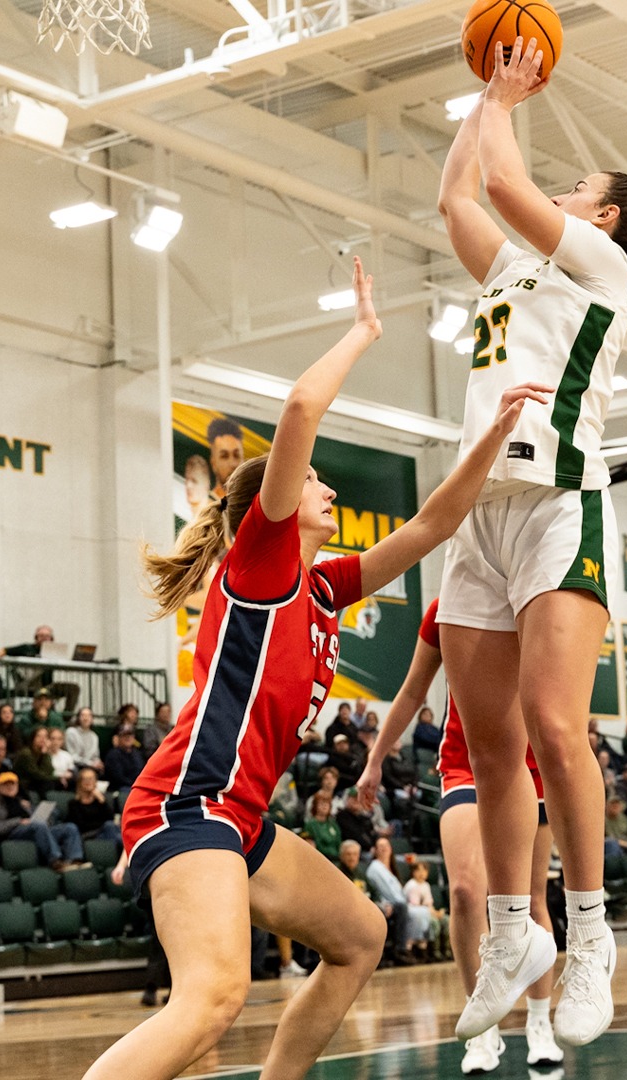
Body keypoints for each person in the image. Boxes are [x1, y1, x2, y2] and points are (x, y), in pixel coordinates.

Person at [88, 257, 547, 1080]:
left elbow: (435, 525)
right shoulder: (261, 564)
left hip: (242, 818)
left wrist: (494, 436)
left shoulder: (324, 587)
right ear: (278, 499)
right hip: (186, 806)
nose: (329, 495)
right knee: (215, 996)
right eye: (318, 486)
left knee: (361, 935)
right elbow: (302, 405)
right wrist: (365, 330)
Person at [436, 35, 627, 1052]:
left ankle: (589, 942)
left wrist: (505, 96)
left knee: (553, 724)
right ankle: (513, 937)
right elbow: (461, 197)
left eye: (576, 187)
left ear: (606, 215)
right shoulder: (516, 273)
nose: (562, 194)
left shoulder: (600, 264)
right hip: (479, 512)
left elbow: (500, 176)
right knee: (491, 746)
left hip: (558, 502)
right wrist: (479, 101)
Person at [354, 595, 564, 1072]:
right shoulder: (445, 606)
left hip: (532, 768)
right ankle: (483, 1027)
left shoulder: (541, 598)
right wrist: (375, 759)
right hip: (465, 764)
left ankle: (539, 1023)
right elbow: (411, 692)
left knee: (533, 899)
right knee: (468, 892)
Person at [0, 772, 84, 871]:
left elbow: (37, 820)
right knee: (38, 825)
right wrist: (18, 821)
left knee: (69, 827)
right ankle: (56, 861)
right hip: (12, 835)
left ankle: (74, 861)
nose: (10, 787)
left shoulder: (24, 803)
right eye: (6, 784)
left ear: (17, 786)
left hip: (35, 830)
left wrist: (44, 818)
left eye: (12, 784)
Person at [66, 766, 119, 845]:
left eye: (91, 779)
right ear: (80, 783)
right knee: (110, 828)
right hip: (88, 836)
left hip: (105, 833)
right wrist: (102, 825)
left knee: (110, 828)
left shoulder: (100, 800)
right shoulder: (74, 803)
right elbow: (82, 825)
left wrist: (102, 801)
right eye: (85, 779)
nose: (88, 782)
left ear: (95, 782)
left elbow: (110, 818)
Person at [102, 725, 146, 792]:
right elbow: (118, 778)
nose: (128, 738)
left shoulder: (137, 754)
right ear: (119, 737)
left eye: (130, 735)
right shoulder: (113, 755)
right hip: (119, 789)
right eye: (124, 735)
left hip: (136, 787)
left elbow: (141, 772)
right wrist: (134, 785)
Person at [66, 706, 103, 771]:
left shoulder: (94, 736)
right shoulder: (71, 732)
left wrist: (98, 762)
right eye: (83, 715)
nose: (86, 718)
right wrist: (90, 763)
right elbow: (71, 756)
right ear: (78, 718)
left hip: (90, 767)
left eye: (88, 716)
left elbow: (95, 756)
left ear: (92, 719)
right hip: (75, 766)